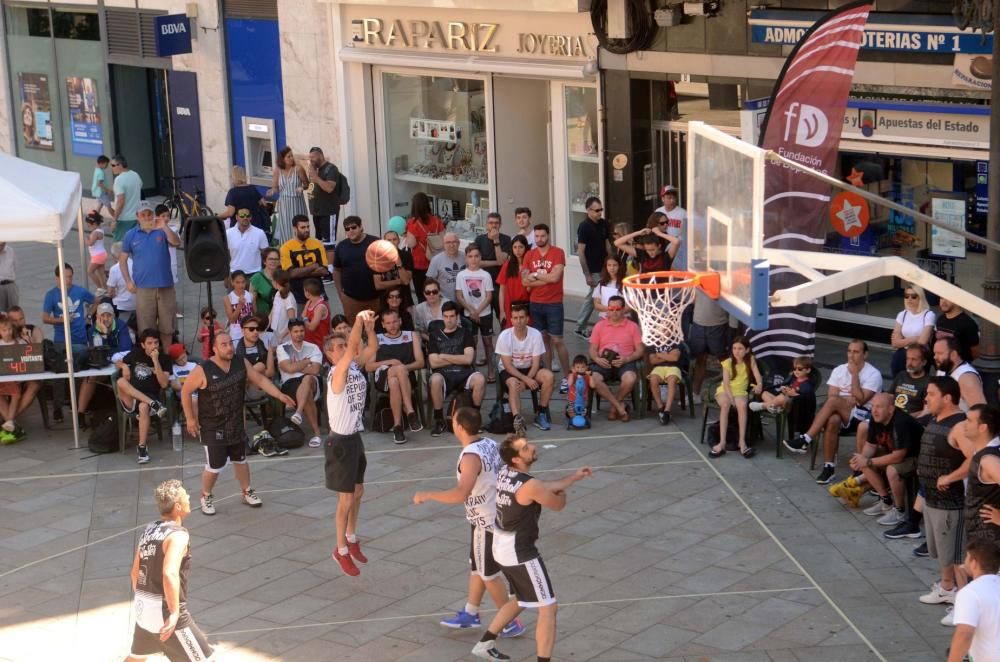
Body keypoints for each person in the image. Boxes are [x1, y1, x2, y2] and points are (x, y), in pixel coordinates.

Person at [471, 435, 593, 662]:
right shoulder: (530, 484)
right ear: (517, 459)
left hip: (502, 546)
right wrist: (562, 493)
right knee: (548, 608)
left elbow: (540, 487)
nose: (533, 447)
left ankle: (485, 643)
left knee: (520, 598)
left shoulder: (506, 473)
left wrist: (573, 478)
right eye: (526, 448)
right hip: (520, 553)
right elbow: (557, 505)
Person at [413, 407, 524, 638]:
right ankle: (471, 612)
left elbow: (460, 493)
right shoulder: (490, 444)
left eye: (453, 421)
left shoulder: (471, 457)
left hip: (487, 521)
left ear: (459, 427)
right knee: (477, 566)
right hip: (494, 515)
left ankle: (509, 621)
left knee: (488, 574)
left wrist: (429, 494)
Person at [181, 332, 295, 516]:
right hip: (212, 426)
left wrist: (279, 394)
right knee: (215, 466)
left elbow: (259, 379)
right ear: (215, 349)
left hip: (235, 423)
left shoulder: (240, 362)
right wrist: (190, 419)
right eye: (224, 345)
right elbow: (186, 391)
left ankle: (247, 491)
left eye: (230, 344)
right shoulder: (204, 369)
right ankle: (206, 495)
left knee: (241, 459)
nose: (229, 348)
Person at [124, 479, 214, 662]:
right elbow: (169, 573)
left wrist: (146, 601)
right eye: (185, 495)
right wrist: (173, 614)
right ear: (179, 506)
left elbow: (134, 572)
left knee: (136, 659)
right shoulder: (178, 535)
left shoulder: (148, 531)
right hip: (165, 612)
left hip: (144, 609)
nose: (189, 496)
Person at [322, 310, 379, 576]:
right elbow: (353, 347)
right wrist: (356, 322)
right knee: (344, 499)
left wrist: (369, 327)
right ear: (330, 354)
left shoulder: (354, 365)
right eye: (340, 347)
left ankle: (352, 538)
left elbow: (373, 347)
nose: (346, 348)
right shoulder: (337, 372)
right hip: (340, 443)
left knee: (358, 492)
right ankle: (340, 550)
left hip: (354, 438)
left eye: (346, 345)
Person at [785, 339, 883, 485]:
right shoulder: (839, 370)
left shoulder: (873, 374)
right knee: (832, 419)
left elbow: (861, 400)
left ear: (865, 354)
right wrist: (846, 399)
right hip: (841, 413)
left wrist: (855, 375)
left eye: (856, 352)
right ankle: (829, 468)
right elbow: (831, 395)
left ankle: (805, 439)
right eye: (849, 351)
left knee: (833, 403)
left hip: (863, 417)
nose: (851, 355)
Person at [915, 376, 968, 621]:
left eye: (932, 394)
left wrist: (950, 477)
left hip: (951, 504)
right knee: (943, 553)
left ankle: (964, 607)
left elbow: (974, 458)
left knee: (957, 557)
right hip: (932, 499)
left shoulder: (959, 425)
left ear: (947, 398)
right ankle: (947, 588)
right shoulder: (937, 418)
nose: (926, 398)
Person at [842, 393, 923, 523]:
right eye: (873, 406)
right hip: (896, 454)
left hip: (917, 458)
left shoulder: (900, 422)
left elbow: (898, 456)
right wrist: (861, 459)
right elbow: (870, 445)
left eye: (879, 407)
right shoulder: (876, 418)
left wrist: (868, 461)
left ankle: (899, 511)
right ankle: (886, 501)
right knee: (864, 462)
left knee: (892, 470)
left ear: (891, 409)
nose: (874, 410)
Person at [121, 200, 181, 348]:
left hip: (165, 286)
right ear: (137, 216)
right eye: (143, 215)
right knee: (147, 328)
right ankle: (150, 358)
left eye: (149, 214)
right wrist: (128, 281)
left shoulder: (161, 230)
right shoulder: (130, 235)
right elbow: (122, 260)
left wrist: (164, 226)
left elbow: (177, 242)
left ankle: (166, 356)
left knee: (167, 326)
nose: (147, 218)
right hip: (143, 288)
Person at [522, 224, 570, 394]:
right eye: (537, 236)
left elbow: (556, 277)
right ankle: (548, 375)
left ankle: (567, 376)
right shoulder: (530, 254)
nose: (540, 239)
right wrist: (545, 279)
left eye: (542, 236)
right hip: (536, 303)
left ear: (548, 235)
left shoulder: (558, 252)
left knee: (557, 340)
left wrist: (535, 275)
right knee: (543, 341)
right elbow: (525, 281)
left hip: (554, 302)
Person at [365, 308, 424, 444]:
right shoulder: (377, 338)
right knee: (396, 373)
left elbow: (420, 362)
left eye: (395, 321)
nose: (392, 325)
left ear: (400, 321)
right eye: (388, 323)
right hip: (382, 376)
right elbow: (368, 366)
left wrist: (401, 369)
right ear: (383, 324)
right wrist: (391, 363)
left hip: (406, 378)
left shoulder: (411, 335)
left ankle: (397, 427)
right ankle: (409, 410)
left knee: (394, 382)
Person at [429, 301, 486, 436]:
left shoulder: (465, 333)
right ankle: (439, 420)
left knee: (480, 379)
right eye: (446, 316)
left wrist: (444, 356)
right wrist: (457, 358)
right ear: (442, 317)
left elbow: (468, 359)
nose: (449, 320)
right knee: (435, 379)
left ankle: (474, 419)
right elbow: (433, 363)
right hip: (443, 375)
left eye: (452, 316)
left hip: (464, 373)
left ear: (457, 317)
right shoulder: (434, 336)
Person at [496, 303, 554, 434]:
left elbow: (536, 363)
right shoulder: (504, 336)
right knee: (513, 383)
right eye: (515, 318)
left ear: (527, 319)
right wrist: (525, 380)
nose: (518, 321)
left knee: (549, 376)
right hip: (511, 370)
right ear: (511, 320)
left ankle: (541, 412)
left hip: (529, 369)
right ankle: (517, 420)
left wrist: (527, 379)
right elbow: (508, 366)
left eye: (521, 317)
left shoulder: (535, 335)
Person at [588, 295, 645, 423]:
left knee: (630, 378)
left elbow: (640, 350)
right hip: (604, 360)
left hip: (625, 361)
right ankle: (619, 407)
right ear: (608, 309)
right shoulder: (599, 325)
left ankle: (614, 407)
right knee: (594, 380)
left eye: (617, 309)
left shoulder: (633, 326)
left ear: (624, 309)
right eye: (611, 309)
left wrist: (626, 359)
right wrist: (597, 359)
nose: (614, 312)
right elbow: (592, 349)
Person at [116, 329, 171, 464]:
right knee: (120, 381)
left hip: (150, 397)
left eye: (156, 342)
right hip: (131, 397)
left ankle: (142, 448)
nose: (154, 346)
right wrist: (124, 366)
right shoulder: (136, 354)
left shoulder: (164, 359)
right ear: (143, 345)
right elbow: (118, 362)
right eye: (150, 343)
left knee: (143, 406)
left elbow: (164, 384)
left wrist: (155, 361)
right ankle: (154, 404)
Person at [77, 302, 133, 425]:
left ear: (113, 316)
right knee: (90, 378)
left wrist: (107, 344)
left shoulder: (121, 325)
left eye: (108, 315)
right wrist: (103, 334)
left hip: (121, 363)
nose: (105, 319)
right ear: (97, 317)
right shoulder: (92, 329)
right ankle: (80, 413)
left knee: (124, 376)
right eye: (103, 315)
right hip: (103, 364)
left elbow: (126, 348)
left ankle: (128, 414)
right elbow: (96, 353)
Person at [708, 336, 763, 459]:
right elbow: (726, 383)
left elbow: (758, 376)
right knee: (725, 405)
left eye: (740, 348)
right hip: (726, 390)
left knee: (742, 405)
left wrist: (759, 385)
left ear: (747, 350)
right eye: (734, 348)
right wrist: (730, 397)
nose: (736, 351)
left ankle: (742, 441)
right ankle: (722, 442)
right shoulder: (727, 362)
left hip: (740, 391)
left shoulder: (751, 360)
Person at [947, 539, 1000, 662]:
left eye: (967, 557)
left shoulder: (969, 593)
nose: (964, 562)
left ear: (974, 563)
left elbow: (964, 634)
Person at [277, 319, 324, 448]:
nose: (299, 334)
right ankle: (317, 434)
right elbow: (288, 369)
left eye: (302, 330)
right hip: (290, 383)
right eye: (296, 331)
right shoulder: (283, 348)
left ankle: (298, 412)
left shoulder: (313, 347)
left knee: (308, 378)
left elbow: (315, 370)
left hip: (313, 381)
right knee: (306, 390)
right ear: (290, 333)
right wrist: (306, 361)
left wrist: (295, 365)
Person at [456, 244, 496, 383]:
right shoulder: (461, 275)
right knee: (471, 343)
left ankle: (491, 369)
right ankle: (471, 370)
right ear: (466, 258)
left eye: (476, 256)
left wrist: (478, 311)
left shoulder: (485, 275)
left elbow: (489, 296)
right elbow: (459, 295)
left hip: (484, 313)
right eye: (470, 256)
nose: (473, 259)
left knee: (488, 342)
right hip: (469, 315)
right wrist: (471, 311)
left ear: (480, 257)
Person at [573, 197, 612, 339]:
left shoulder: (603, 224)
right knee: (593, 296)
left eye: (601, 209)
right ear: (588, 210)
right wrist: (587, 274)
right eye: (596, 210)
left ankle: (581, 325)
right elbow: (581, 251)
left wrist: (611, 261)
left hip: (604, 266)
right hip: (593, 267)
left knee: (596, 295)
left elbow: (607, 243)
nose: (599, 213)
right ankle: (580, 326)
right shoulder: (584, 226)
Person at [963, 404, 1000, 546]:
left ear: (982, 428)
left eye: (969, 420)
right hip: (979, 534)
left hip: (989, 540)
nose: (964, 424)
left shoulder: (988, 460)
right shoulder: (984, 453)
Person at [333, 216, 378, 324]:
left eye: (354, 227)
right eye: (347, 229)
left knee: (377, 330)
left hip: (376, 297)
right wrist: (341, 294)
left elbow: (386, 265)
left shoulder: (375, 242)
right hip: (350, 299)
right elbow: (337, 270)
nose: (351, 231)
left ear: (361, 227)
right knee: (355, 333)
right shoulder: (341, 246)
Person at [0, 316, 37, 444]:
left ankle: (9, 423)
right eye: (4, 330)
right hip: (2, 379)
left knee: (15, 393)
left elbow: (31, 355)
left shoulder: (19, 342)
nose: (8, 332)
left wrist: (28, 340)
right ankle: (12, 425)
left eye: (9, 329)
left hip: (16, 379)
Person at [280, 214, 330, 306]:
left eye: (308, 227)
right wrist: (314, 266)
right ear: (295, 228)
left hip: (318, 291)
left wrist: (300, 272)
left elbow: (324, 270)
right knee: (301, 319)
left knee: (324, 319)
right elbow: (291, 273)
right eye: (303, 227)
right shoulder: (286, 248)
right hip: (297, 294)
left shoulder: (317, 244)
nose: (307, 230)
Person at [689, 291, 730, 402]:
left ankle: (730, 393)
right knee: (700, 360)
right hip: (698, 323)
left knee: (725, 362)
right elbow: (691, 298)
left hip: (719, 324)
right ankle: (695, 395)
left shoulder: (723, 275)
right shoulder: (696, 275)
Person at [405, 192, 446, 300]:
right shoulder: (437, 221)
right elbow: (443, 240)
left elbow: (411, 243)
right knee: (436, 292)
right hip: (436, 260)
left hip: (419, 263)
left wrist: (406, 237)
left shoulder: (412, 223)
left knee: (422, 294)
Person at [889, 284, 935, 375]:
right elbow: (894, 343)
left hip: (919, 355)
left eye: (913, 296)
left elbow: (922, 342)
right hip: (902, 355)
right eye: (906, 296)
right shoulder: (902, 314)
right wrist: (913, 339)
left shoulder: (929, 315)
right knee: (899, 383)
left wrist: (903, 341)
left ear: (920, 297)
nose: (909, 299)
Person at [267, 146, 308, 246]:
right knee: (286, 230)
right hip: (284, 204)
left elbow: (307, 184)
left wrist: (302, 188)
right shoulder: (277, 171)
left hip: (297, 203)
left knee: (299, 228)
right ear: (282, 159)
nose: (291, 158)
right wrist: (272, 191)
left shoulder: (298, 169)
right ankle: (287, 253)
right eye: (288, 157)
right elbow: (275, 187)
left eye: (291, 156)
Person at [474, 212, 511, 322]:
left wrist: (496, 241)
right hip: (483, 285)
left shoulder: (506, 239)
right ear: (486, 225)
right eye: (491, 223)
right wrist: (497, 262)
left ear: (500, 225)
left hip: (500, 285)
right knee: (485, 319)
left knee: (503, 316)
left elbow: (501, 261)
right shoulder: (479, 240)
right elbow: (476, 262)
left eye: (496, 223)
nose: (493, 226)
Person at [934, 336, 986, 411]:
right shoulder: (942, 370)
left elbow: (980, 413)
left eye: (939, 353)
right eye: (935, 353)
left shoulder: (967, 377)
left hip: (959, 421)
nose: (935, 357)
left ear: (953, 354)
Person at [219, 165, 270, 238]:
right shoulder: (253, 188)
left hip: (240, 228)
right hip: (255, 225)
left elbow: (230, 213)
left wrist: (217, 216)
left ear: (233, 177)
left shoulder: (233, 192)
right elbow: (264, 203)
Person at [614, 220, 680, 275]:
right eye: (647, 250)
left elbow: (676, 241)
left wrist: (659, 233)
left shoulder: (666, 256)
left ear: (659, 246)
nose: (650, 252)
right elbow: (617, 243)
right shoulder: (642, 254)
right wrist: (638, 233)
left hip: (662, 289)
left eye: (653, 249)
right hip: (645, 288)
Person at [306, 146, 342, 244]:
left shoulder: (331, 169)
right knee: (319, 242)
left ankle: (330, 260)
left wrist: (315, 177)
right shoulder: (314, 169)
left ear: (321, 156)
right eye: (310, 158)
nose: (311, 160)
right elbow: (312, 185)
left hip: (328, 212)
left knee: (328, 243)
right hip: (316, 212)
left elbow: (329, 188)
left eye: (313, 157)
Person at [497, 235, 530, 330]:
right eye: (515, 247)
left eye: (521, 247)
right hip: (509, 307)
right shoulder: (507, 265)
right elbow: (501, 290)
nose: (517, 250)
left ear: (526, 248)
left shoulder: (530, 265)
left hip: (526, 305)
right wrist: (502, 311)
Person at [226, 204, 269, 276]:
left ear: (251, 217)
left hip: (255, 274)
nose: (245, 217)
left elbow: (266, 254)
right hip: (234, 273)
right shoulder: (228, 233)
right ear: (236, 217)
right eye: (242, 215)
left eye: (247, 215)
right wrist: (226, 275)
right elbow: (226, 255)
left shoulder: (259, 233)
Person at [109, 155, 142, 243]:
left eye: (113, 165)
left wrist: (114, 219)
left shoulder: (119, 180)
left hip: (123, 220)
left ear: (120, 165)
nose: (111, 168)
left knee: (119, 249)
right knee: (134, 246)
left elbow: (121, 201)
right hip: (136, 218)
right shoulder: (135, 175)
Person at [936, 297, 980, 363]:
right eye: (941, 298)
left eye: (948, 298)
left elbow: (975, 351)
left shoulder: (968, 323)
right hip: (942, 366)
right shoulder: (940, 319)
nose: (943, 302)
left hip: (961, 367)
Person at [376, 228, 414, 303]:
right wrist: (399, 281)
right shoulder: (377, 258)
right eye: (389, 240)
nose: (392, 242)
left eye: (394, 239)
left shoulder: (406, 255)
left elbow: (406, 281)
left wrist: (399, 263)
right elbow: (378, 285)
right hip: (385, 300)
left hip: (404, 299)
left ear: (399, 241)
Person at [654, 184, 687, 271]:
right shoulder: (658, 211)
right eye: (669, 197)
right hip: (660, 245)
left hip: (676, 246)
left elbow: (684, 233)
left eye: (673, 197)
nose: (672, 200)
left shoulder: (683, 213)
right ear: (663, 198)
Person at [648, 342, 682, 425]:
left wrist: (659, 355)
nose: (664, 330)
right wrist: (668, 355)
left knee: (672, 379)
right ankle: (660, 407)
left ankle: (667, 410)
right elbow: (652, 361)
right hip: (658, 368)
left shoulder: (675, 341)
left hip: (674, 367)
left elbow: (675, 358)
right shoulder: (653, 343)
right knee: (653, 379)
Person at [426, 232, 465, 302]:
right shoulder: (436, 260)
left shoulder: (465, 257)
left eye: (454, 242)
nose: (451, 245)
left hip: (464, 301)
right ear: (443, 244)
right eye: (448, 242)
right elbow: (430, 282)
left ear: (459, 243)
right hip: (444, 301)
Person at [413, 277, 449, 342]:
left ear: (439, 292)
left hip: (450, 340)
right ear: (424, 294)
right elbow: (419, 331)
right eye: (428, 292)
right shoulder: (419, 308)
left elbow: (457, 325)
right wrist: (433, 341)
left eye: (434, 292)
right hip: (430, 341)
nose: (431, 294)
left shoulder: (448, 304)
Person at [223, 270, 254, 343]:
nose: (241, 285)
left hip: (249, 332)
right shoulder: (228, 298)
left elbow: (254, 314)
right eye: (237, 282)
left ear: (246, 282)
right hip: (236, 335)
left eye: (243, 282)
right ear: (232, 282)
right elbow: (232, 320)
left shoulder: (250, 296)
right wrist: (240, 305)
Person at [106, 242, 135, 321]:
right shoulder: (135, 264)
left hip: (122, 305)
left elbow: (110, 292)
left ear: (114, 256)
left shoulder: (114, 269)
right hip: (137, 302)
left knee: (104, 300)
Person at [250, 248, 281, 318]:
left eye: (276, 259)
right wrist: (257, 318)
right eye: (270, 259)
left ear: (279, 261)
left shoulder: (282, 275)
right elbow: (252, 301)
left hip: (279, 318)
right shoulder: (257, 277)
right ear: (264, 261)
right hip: (263, 318)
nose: (273, 261)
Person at [268, 269, 296, 345]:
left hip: (286, 338)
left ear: (276, 282)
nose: (271, 282)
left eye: (272, 280)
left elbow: (292, 321)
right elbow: (272, 312)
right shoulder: (277, 293)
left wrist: (281, 336)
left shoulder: (288, 298)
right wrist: (264, 327)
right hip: (276, 333)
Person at [592, 256, 624, 321]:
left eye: (615, 265)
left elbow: (630, 305)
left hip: (622, 318)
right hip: (605, 318)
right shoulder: (601, 284)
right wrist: (610, 310)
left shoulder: (625, 283)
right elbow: (596, 304)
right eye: (609, 265)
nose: (612, 268)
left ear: (619, 266)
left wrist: (617, 313)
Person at [85, 211, 108, 290]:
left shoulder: (95, 233)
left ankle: (100, 287)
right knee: (101, 273)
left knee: (90, 272)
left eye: (89, 226)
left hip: (97, 256)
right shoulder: (100, 230)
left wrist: (87, 239)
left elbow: (90, 243)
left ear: (94, 224)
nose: (88, 227)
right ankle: (105, 289)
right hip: (102, 254)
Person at [0, 242, 18, 311]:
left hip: (10, 284)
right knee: (1, 312)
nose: (1, 247)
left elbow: (15, 265)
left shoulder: (10, 251)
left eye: (2, 245)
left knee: (14, 310)